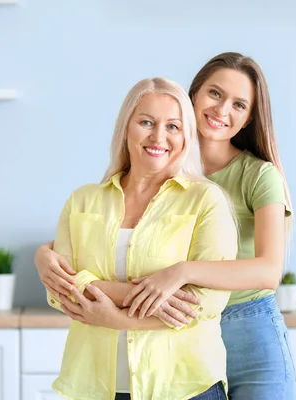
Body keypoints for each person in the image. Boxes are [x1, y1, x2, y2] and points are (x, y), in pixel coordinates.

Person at [36, 52, 296, 400]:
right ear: (192, 97)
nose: (221, 111)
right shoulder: (154, 165)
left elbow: (268, 271)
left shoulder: (252, 178)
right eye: (215, 94)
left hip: (244, 324)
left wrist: (180, 272)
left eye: (239, 104)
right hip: (170, 325)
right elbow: (113, 245)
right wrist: (45, 254)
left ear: (250, 117)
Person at [43, 76, 238, 400]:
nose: (158, 136)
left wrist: (114, 316)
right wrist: (146, 297)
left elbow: (204, 303)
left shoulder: (206, 200)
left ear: (186, 135)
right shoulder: (83, 200)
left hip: (186, 387)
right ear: (126, 128)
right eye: (146, 122)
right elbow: (61, 290)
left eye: (173, 126)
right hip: (96, 386)